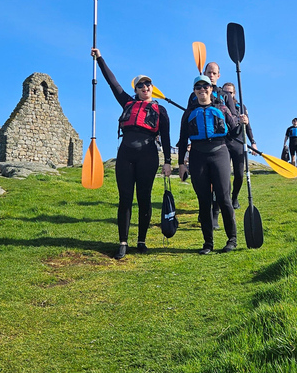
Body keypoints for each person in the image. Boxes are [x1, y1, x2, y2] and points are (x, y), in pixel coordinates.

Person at [92, 48, 171, 259]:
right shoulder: (127, 102)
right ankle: (123, 242)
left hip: (148, 154)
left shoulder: (160, 110)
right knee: (125, 198)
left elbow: (166, 137)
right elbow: (112, 82)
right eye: (140, 85)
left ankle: (142, 241)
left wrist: (168, 162)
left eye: (148, 84)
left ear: (152, 89)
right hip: (126, 154)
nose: (145, 87)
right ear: (135, 90)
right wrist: (100, 58)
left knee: (144, 198)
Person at [167, 75, 247, 254]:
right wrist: (181, 164)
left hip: (219, 152)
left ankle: (231, 240)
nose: (202, 89)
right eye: (198, 87)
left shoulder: (223, 108)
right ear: (194, 91)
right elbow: (182, 139)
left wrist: (243, 123)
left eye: (205, 86)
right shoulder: (188, 113)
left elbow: (234, 132)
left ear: (211, 89)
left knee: (224, 199)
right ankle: (208, 243)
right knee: (203, 201)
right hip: (197, 155)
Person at [221, 82, 256, 209]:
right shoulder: (219, 105)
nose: (228, 95)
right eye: (225, 92)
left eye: (230, 92)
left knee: (239, 175)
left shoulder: (241, 107)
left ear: (234, 93)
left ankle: (234, 197)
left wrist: (253, 142)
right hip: (224, 142)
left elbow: (248, 127)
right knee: (224, 175)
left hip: (239, 143)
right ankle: (224, 200)